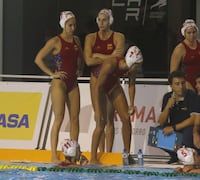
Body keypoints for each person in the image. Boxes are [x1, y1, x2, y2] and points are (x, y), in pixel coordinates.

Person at [34, 11, 83, 163]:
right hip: (59, 84)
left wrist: (80, 70)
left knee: (75, 118)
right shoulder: (56, 41)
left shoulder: (76, 40)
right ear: (63, 25)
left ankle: (73, 154)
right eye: (70, 25)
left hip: (73, 83)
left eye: (74, 25)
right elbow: (38, 59)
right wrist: (52, 73)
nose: (73, 28)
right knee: (59, 118)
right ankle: (54, 154)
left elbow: (80, 57)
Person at [89, 46, 143, 165]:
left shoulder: (131, 69)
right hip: (97, 85)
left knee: (126, 118)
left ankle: (126, 155)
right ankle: (93, 158)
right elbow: (98, 88)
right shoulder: (110, 64)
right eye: (137, 65)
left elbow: (132, 85)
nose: (138, 68)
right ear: (131, 62)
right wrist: (97, 110)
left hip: (113, 84)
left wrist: (132, 104)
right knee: (101, 122)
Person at [84, 8, 125, 153]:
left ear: (110, 21)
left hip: (112, 80)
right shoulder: (90, 38)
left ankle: (109, 152)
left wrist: (97, 55)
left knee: (109, 119)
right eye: (99, 20)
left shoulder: (118, 37)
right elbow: (88, 61)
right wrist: (108, 57)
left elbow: (118, 57)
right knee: (99, 119)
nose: (101, 23)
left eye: (105, 20)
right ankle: (100, 152)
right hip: (96, 80)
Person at [157, 70, 198, 164]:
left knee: (188, 132)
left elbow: (193, 120)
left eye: (183, 83)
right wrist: (167, 106)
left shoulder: (191, 95)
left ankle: (187, 158)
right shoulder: (167, 97)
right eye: (177, 84)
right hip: (175, 131)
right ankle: (175, 156)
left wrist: (173, 128)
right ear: (171, 86)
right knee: (157, 133)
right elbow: (161, 122)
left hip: (187, 129)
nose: (181, 87)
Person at [169, 19, 200, 91]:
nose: (192, 35)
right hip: (187, 83)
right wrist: (182, 84)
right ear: (184, 33)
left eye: (194, 32)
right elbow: (173, 73)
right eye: (189, 33)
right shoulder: (179, 49)